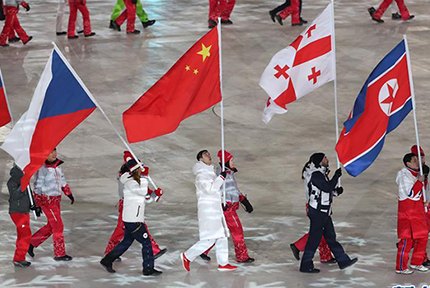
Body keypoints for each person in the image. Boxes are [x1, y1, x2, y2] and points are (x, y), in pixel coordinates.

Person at [100, 158, 162, 276]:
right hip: (134, 220)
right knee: (147, 243)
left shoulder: (135, 181)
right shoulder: (130, 183)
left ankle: (107, 260)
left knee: (126, 242)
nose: (143, 169)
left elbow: (145, 199)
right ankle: (148, 269)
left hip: (132, 219)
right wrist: (144, 178)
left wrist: (155, 195)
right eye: (141, 168)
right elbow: (143, 192)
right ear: (136, 170)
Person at [299, 153, 358, 273]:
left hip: (324, 212)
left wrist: (336, 192)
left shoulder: (320, 174)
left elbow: (324, 192)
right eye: (325, 158)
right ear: (320, 161)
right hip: (318, 212)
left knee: (331, 237)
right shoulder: (316, 174)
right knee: (314, 239)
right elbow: (326, 187)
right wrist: (336, 177)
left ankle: (343, 260)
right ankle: (305, 264)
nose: (327, 159)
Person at [180, 150, 237, 271]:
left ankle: (223, 263)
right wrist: (221, 178)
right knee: (210, 239)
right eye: (205, 154)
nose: (209, 155)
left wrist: (223, 202)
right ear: (200, 159)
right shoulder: (201, 176)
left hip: (216, 209)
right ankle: (187, 256)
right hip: (208, 211)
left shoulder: (211, 174)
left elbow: (217, 191)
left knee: (221, 236)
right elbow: (210, 190)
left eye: (208, 153)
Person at [202, 150, 255, 263]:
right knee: (237, 231)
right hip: (227, 208)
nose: (233, 162)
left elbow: (233, 190)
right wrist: (221, 201)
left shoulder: (230, 174)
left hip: (230, 206)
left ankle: (203, 250)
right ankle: (242, 257)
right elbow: (217, 189)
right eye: (231, 160)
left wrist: (244, 200)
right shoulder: (221, 173)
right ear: (226, 162)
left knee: (219, 231)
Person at [28, 148, 74, 261]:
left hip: (56, 200)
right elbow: (37, 187)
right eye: (50, 152)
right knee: (58, 226)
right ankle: (60, 254)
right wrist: (37, 204)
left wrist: (68, 193)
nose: (53, 154)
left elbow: (62, 180)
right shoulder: (42, 169)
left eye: (54, 151)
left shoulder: (57, 166)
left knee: (51, 226)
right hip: (47, 202)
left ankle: (31, 242)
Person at [395, 153, 429, 274]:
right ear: (408, 163)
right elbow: (410, 194)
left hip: (417, 212)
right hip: (407, 214)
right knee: (407, 241)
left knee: (423, 237)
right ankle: (401, 267)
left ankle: (416, 262)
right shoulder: (404, 176)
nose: (417, 162)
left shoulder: (417, 174)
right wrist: (420, 181)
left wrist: (424, 202)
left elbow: (420, 194)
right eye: (415, 160)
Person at [7, 165, 41, 267]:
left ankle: (19, 257)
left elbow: (29, 196)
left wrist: (34, 207)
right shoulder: (12, 181)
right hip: (17, 212)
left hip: (24, 211)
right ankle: (19, 258)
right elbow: (15, 196)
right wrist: (23, 183)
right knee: (26, 235)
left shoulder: (24, 181)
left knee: (22, 235)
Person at [410, 145, 430, 267]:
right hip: (418, 208)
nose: (421, 160)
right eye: (418, 158)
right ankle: (422, 258)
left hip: (427, 207)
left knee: (423, 234)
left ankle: (411, 242)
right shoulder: (411, 174)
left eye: (422, 157)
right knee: (422, 235)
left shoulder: (426, 170)